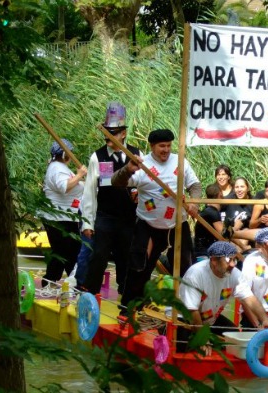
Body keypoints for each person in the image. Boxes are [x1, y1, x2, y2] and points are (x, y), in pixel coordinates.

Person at [111, 128, 201, 312]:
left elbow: (195, 185)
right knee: (139, 267)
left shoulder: (180, 161)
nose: (166, 150)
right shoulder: (141, 165)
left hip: (177, 224)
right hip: (149, 225)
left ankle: (187, 310)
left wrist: (194, 203)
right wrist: (127, 169)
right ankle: (129, 307)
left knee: (186, 268)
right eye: (162, 146)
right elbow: (115, 182)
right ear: (152, 146)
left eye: (168, 145)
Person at [77, 102, 142, 295]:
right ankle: (89, 294)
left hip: (129, 217)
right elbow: (89, 191)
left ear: (123, 133)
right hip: (105, 216)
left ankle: (126, 295)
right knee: (98, 256)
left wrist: (140, 192)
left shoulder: (137, 155)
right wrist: (87, 223)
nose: (109, 137)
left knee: (126, 257)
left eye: (113, 132)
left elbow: (146, 182)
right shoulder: (97, 157)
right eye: (107, 132)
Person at [178, 241, 268, 355]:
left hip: (209, 317)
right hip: (184, 318)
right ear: (214, 261)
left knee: (234, 338)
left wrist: (265, 319)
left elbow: (249, 298)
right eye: (228, 260)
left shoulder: (235, 274)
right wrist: (202, 338)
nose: (233, 264)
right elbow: (192, 311)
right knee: (185, 347)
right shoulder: (196, 274)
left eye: (234, 259)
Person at [38, 139, 87, 286]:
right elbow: (64, 186)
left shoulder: (60, 167)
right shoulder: (56, 168)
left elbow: (73, 185)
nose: (72, 156)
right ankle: (50, 281)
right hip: (58, 218)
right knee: (63, 252)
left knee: (72, 251)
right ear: (65, 153)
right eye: (70, 152)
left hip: (67, 217)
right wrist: (80, 174)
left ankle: (75, 281)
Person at [193, 183, 223, 258]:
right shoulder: (212, 212)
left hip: (204, 249)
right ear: (220, 195)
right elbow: (224, 234)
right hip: (204, 252)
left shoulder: (208, 210)